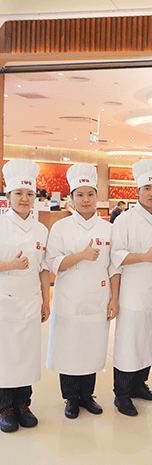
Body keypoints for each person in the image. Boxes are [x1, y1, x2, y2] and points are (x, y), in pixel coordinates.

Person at [46, 163, 120, 419]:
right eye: (80, 194)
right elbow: (54, 264)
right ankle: (70, 398)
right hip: (69, 299)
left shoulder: (108, 228)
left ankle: (87, 395)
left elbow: (114, 267)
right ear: (72, 198)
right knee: (69, 348)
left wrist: (114, 299)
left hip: (98, 299)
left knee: (93, 346)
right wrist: (82, 255)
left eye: (90, 194)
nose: (85, 199)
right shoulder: (61, 228)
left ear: (96, 197)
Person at [111, 160, 152, 416]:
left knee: (147, 338)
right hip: (131, 289)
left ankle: (138, 384)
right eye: (147, 188)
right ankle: (121, 394)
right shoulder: (125, 220)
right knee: (129, 341)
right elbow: (116, 255)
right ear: (137, 191)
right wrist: (145, 256)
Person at [0, 159, 50, 433]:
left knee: (28, 355)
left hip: (30, 300)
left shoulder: (41, 230)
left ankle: (23, 404)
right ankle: (5, 407)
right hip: (4, 301)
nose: (24, 198)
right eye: (18, 193)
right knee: (6, 355)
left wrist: (46, 301)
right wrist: (12, 265)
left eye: (29, 193)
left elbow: (43, 269)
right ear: (8, 196)